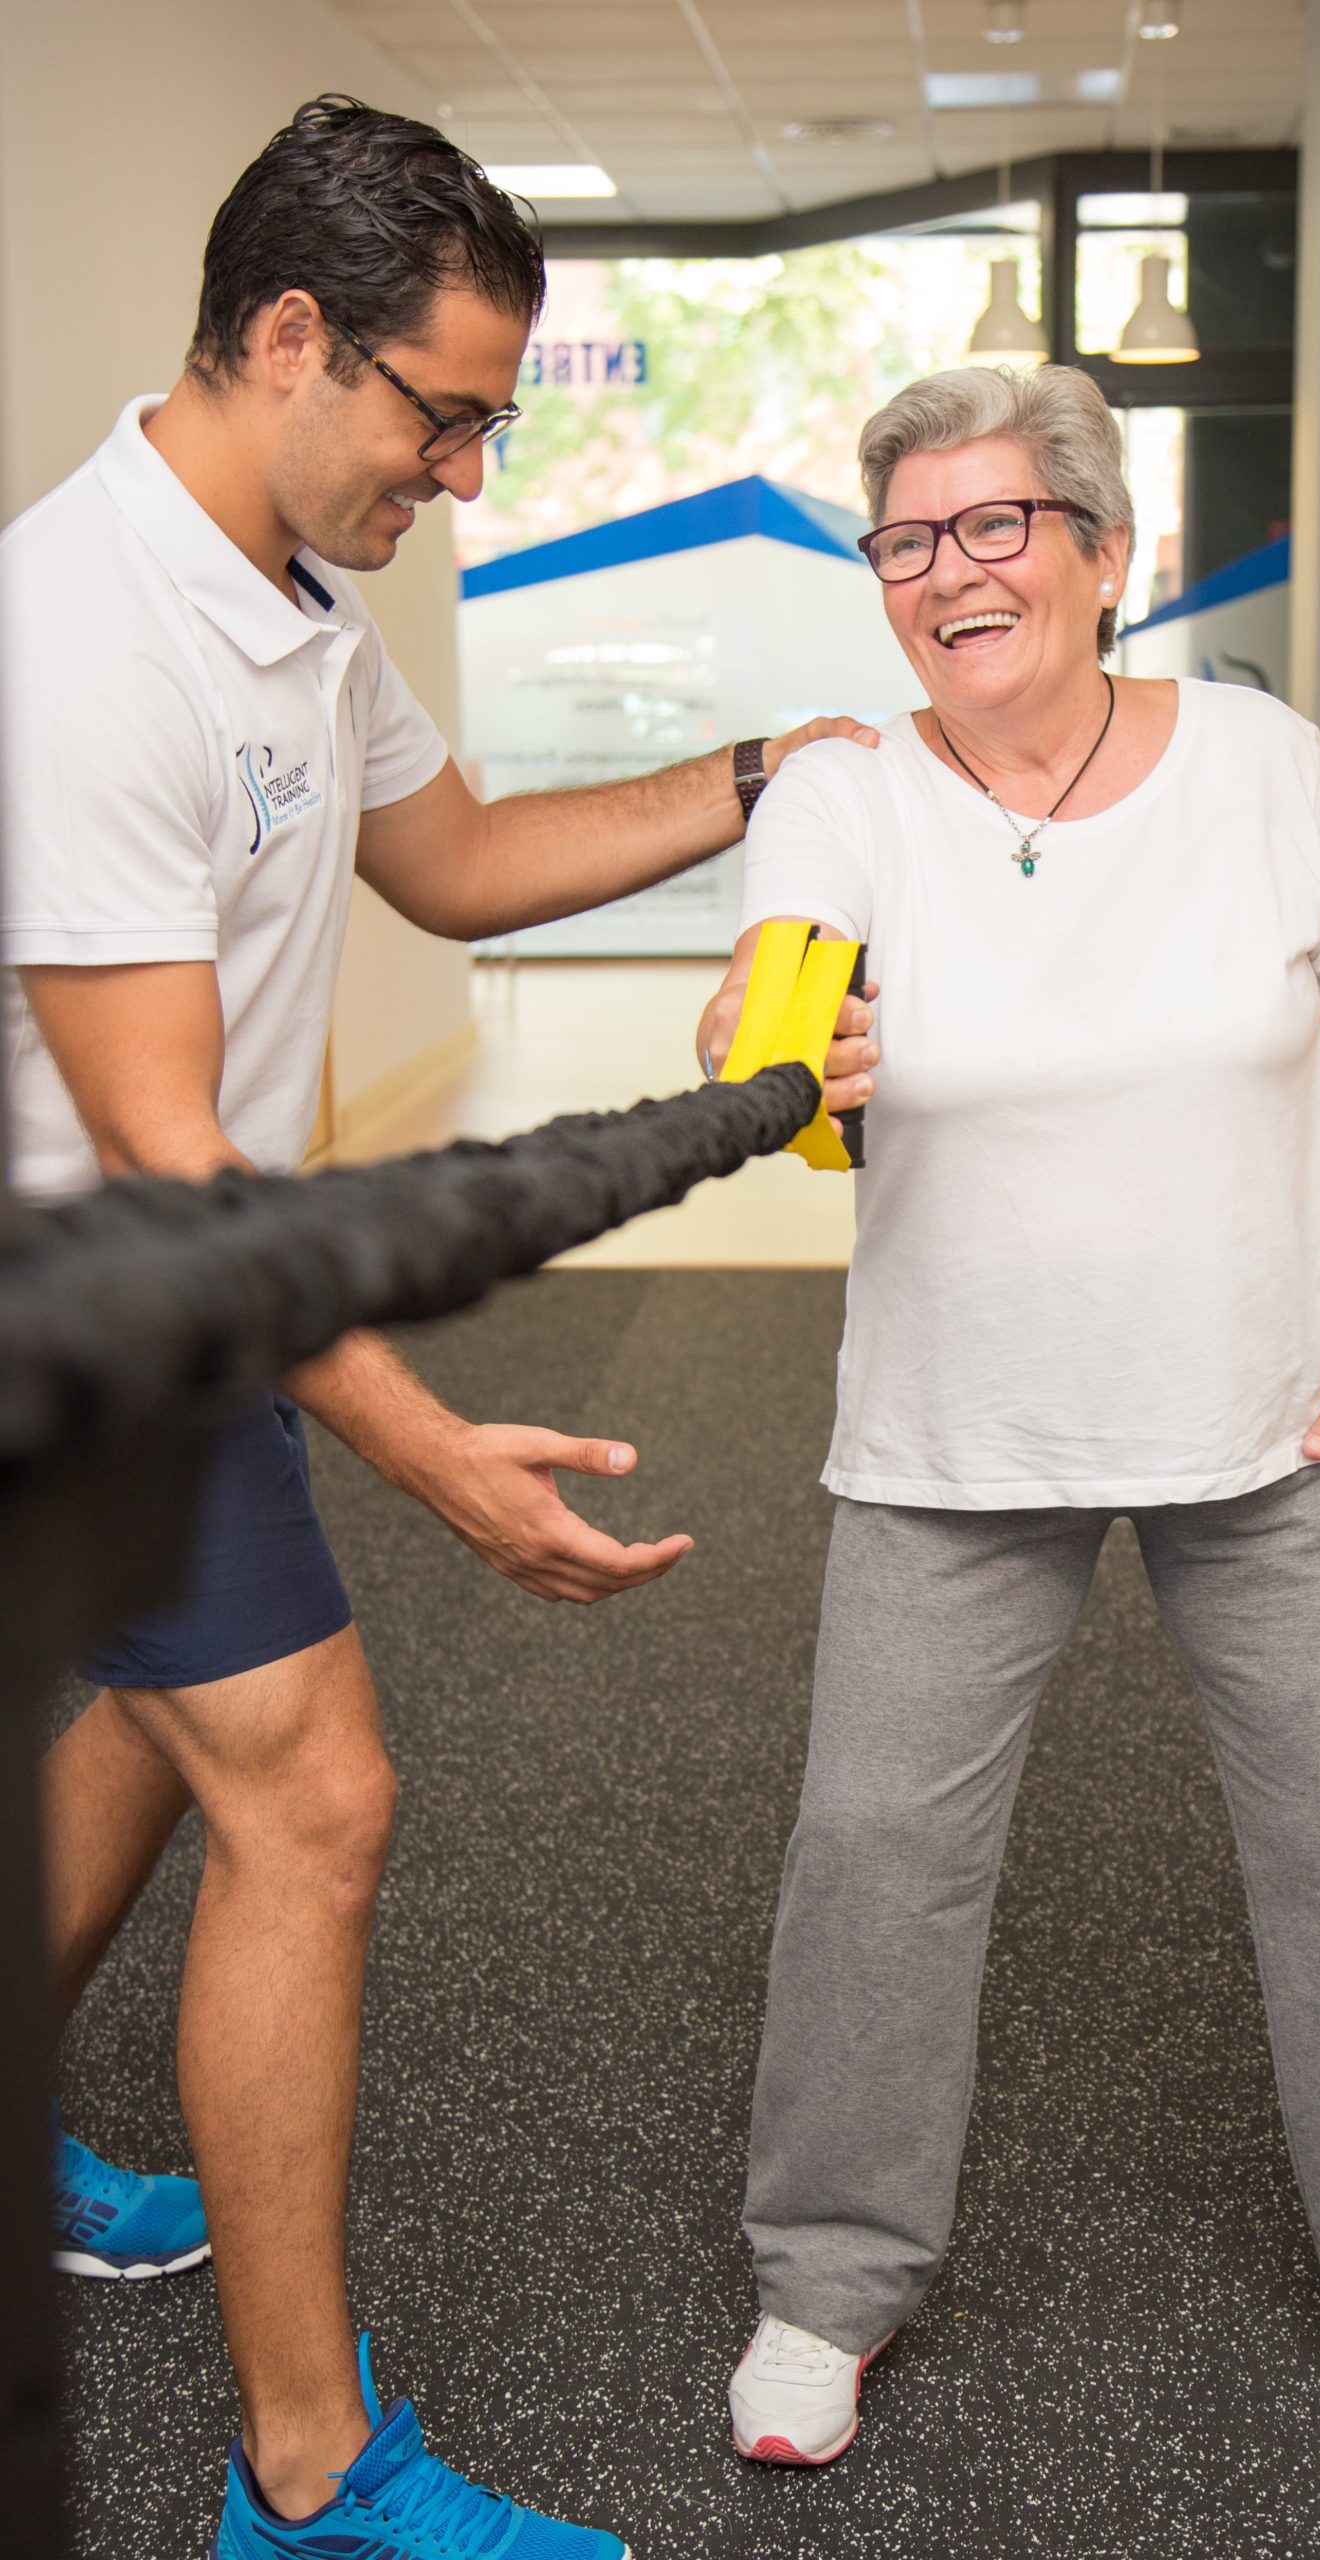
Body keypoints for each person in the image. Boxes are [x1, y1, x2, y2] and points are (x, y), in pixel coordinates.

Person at [2, 98, 877, 2559]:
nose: (466, 473)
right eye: (444, 411)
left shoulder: (285, 576)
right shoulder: (83, 645)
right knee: (318, 1790)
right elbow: (174, 1165)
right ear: (290, 334)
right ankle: (304, 2478)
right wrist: (427, 1447)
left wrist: (751, 772)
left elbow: (456, 861)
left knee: (182, 1736)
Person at [700, 363, 1320, 2492]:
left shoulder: (1258, 761)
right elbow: (762, 1005)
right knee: (873, 1855)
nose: (950, 571)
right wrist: (776, 1049)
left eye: (996, 525)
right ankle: (826, 2277)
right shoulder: (846, 793)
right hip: (950, 1431)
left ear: (1100, 552)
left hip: (1271, 1411)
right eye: (907, 538)